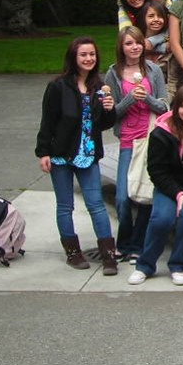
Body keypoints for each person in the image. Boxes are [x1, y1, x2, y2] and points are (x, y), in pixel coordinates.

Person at [35, 36, 119, 274]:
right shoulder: (58, 87)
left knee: (96, 204)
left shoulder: (98, 88)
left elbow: (103, 124)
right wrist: (44, 152)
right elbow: (47, 121)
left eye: (92, 54)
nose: (88, 59)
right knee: (65, 206)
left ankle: (108, 255)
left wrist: (109, 109)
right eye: (83, 54)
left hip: (88, 155)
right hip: (61, 155)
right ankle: (73, 252)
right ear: (73, 57)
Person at [127, 84, 183, 286]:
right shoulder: (161, 133)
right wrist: (177, 194)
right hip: (168, 183)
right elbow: (156, 171)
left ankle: (178, 264)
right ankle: (145, 265)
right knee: (161, 218)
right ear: (175, 108)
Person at [104, 26, 168, 263]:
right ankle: (124, 241)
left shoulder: (152, 71)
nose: (134, 47)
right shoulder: (114, 73)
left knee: (144, 193)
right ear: (121, 47)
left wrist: (147, 98)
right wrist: (131, 98)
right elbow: (112, 114)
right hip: (128, 140)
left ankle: (136, 246)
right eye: (129, 44)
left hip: (150, 139)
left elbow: (164, 107)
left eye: (138, 43)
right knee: (123, 197)